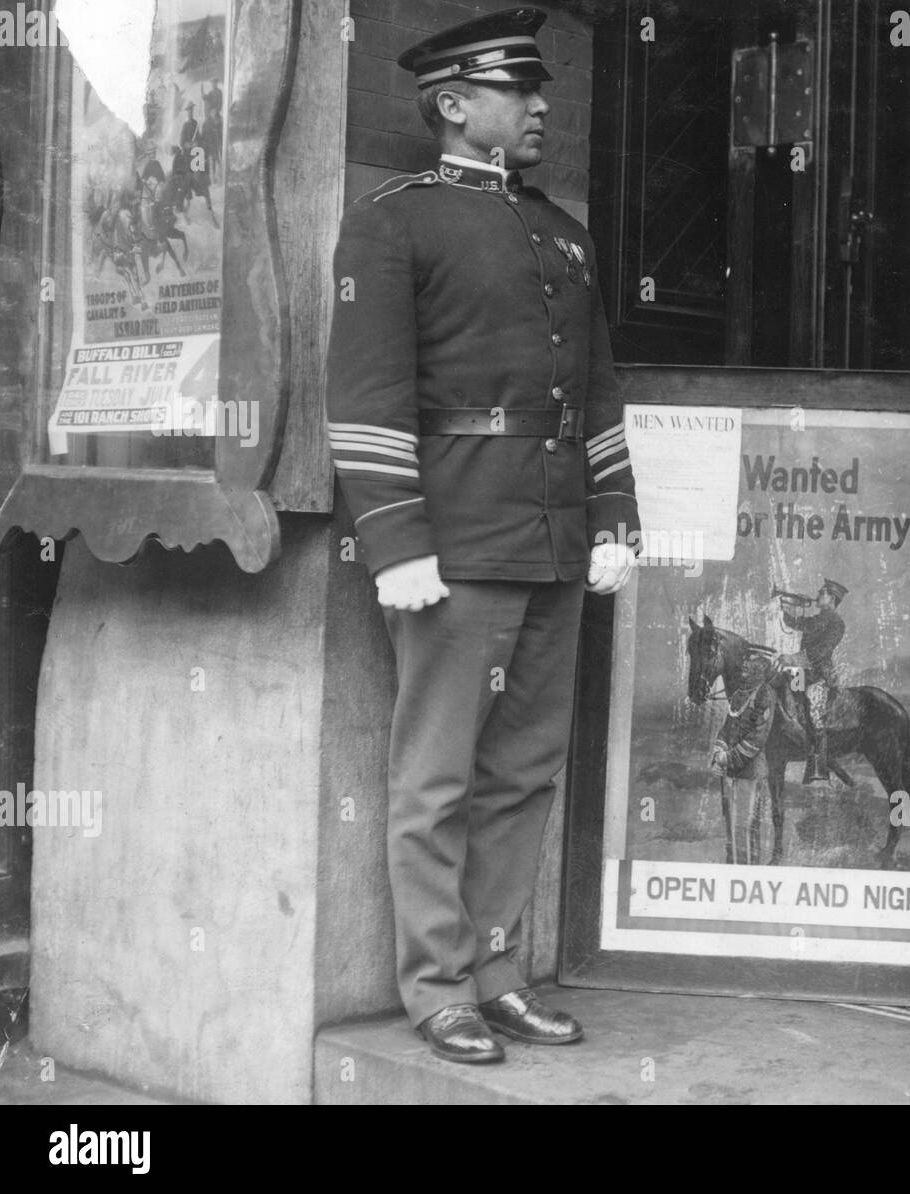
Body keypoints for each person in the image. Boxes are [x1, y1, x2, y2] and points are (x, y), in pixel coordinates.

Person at [325, 7, 639, 1065]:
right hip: (452, 540)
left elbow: (597, 393)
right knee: (437, 774)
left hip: (553, 538)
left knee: (522, 771)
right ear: (455, 106)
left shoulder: (562, 232)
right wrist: (396, 541)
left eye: (540, 88)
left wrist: (615, 518)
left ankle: (498, 971)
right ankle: (436, 985)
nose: (541, 104)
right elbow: (364, 400)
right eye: (518, 89)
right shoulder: (392, 221)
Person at [778, 579, 848, 783]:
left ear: (832, 598)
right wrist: (784, 608)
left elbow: (820, 652)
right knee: (787, 700)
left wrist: (792, 659)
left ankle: (818, 767)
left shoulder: (836, 623)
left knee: (814, 713)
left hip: (819, 676)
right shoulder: (818, 619)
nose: (818, 593)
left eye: (823, 592)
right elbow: (798, 624)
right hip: (802, 673)